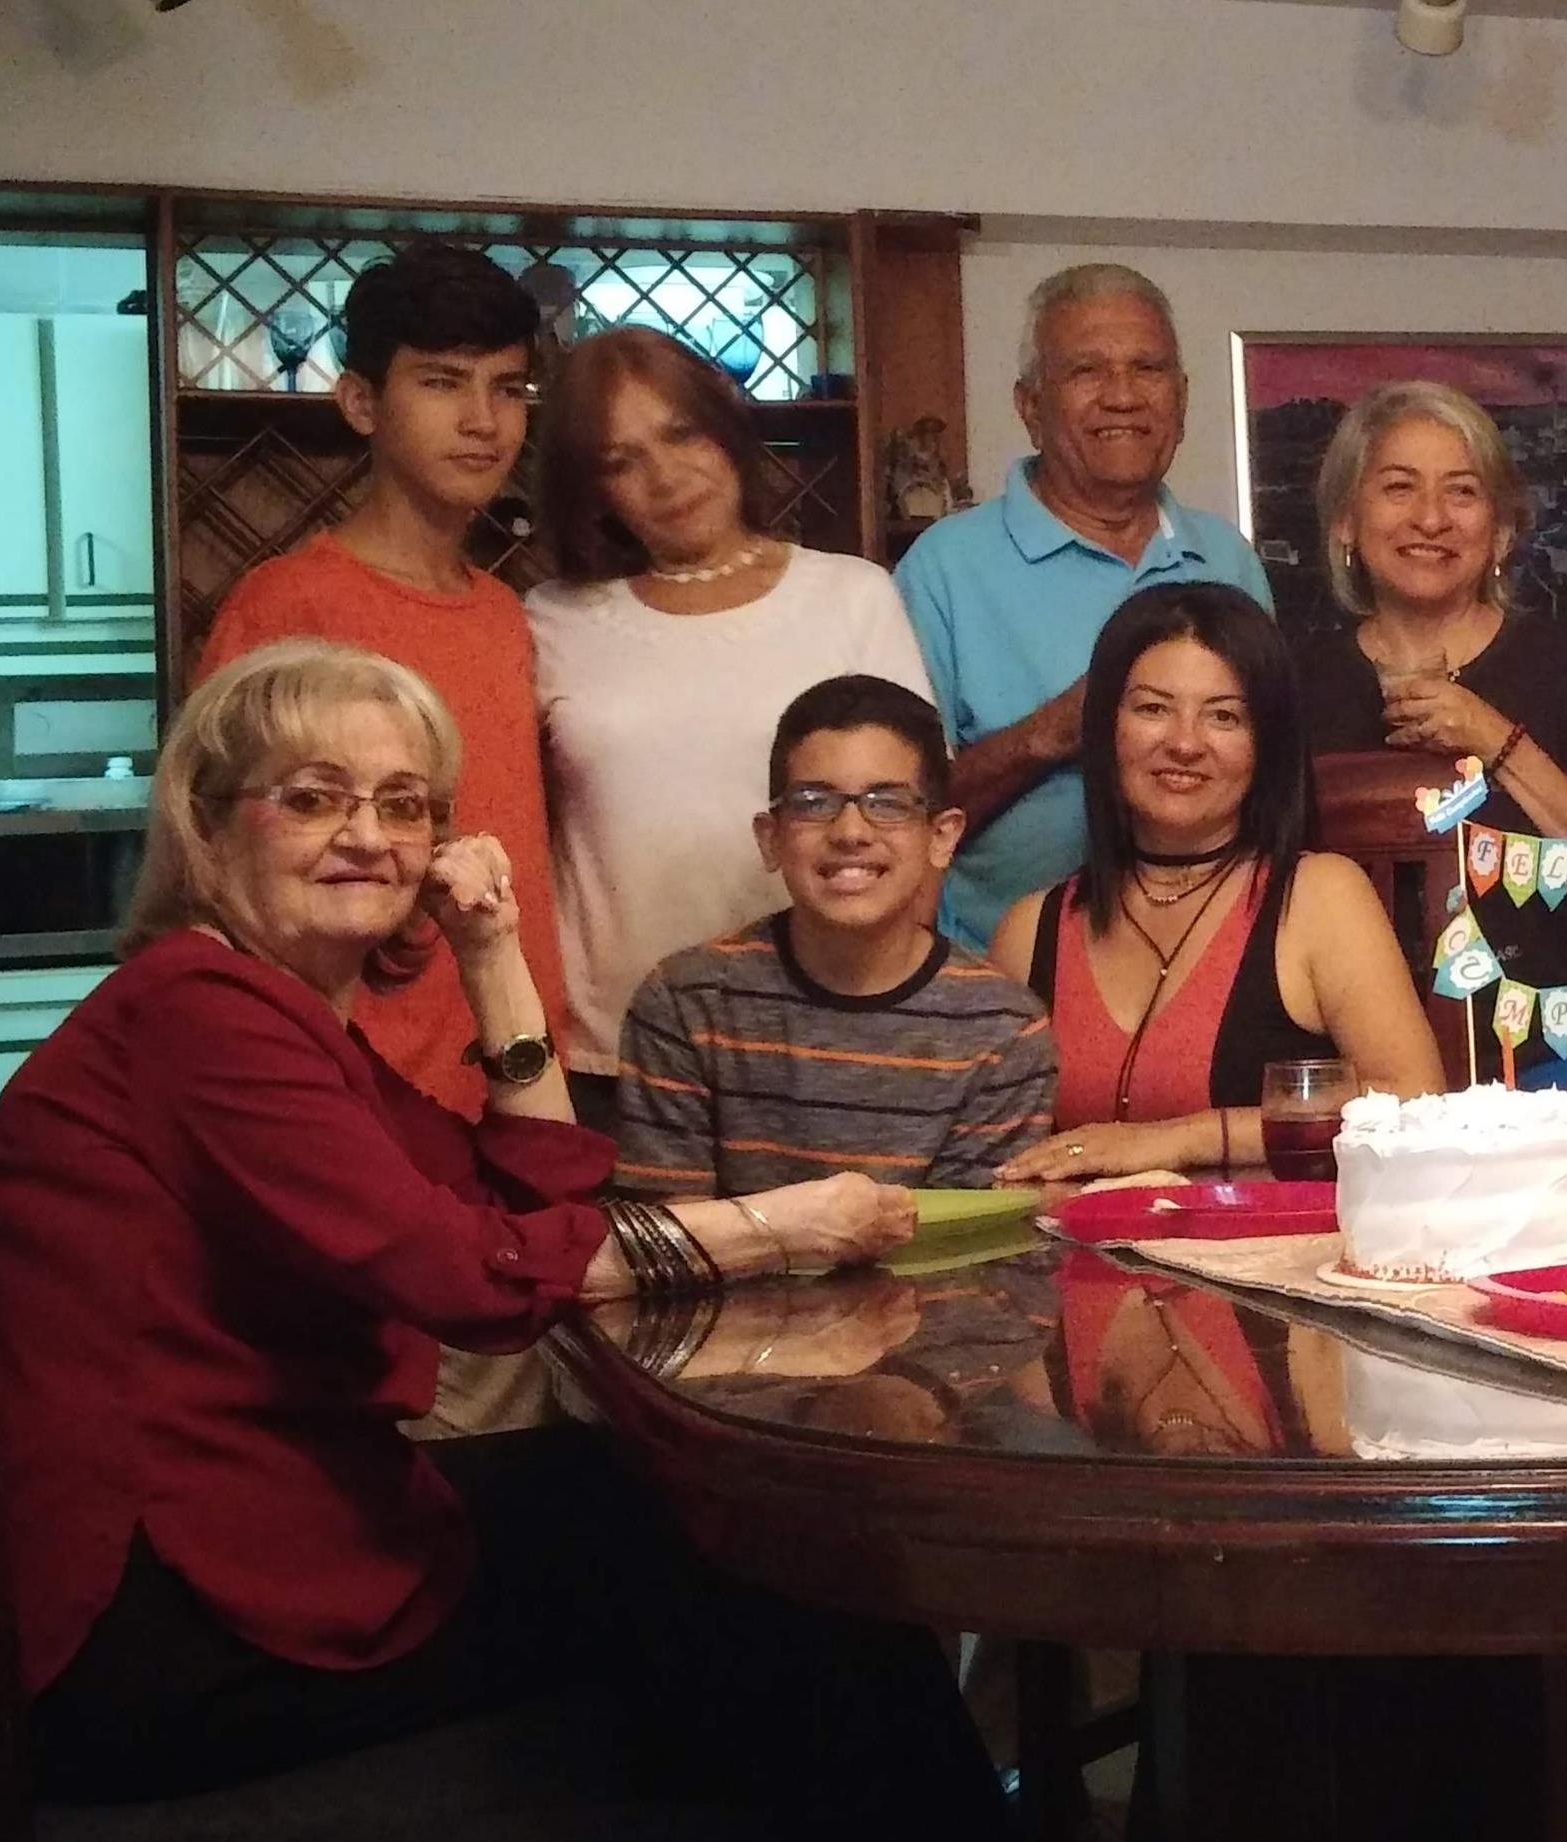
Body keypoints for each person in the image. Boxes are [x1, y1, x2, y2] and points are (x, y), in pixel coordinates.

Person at [0, 641, 1013, 1842]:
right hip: (159, 1609)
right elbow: (472, 1276)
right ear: (207, 818)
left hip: (259, 1514)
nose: (370, 835)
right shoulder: (199, 1012)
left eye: (404, 803)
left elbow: (528, 1193)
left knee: (748, 1545)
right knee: (781, 1583)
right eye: (314, 795)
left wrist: (490, 948)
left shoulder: (283, 1014)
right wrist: (782, 1223)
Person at [195, 242, 569, 1438]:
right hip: (370, 1123)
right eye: (442, 381)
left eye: (508, 388)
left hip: (514, 1096)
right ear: (361, 399)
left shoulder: (506, 611)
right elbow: (231, 884)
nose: (483, 420)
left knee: (519, 1486)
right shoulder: (289, 606)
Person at [528, 325, 935, 1128]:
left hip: (820, 1043)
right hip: (612, 1055)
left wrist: (890, 1023)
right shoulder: (552, 621)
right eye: (620, 459)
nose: (665, 476)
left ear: (725, 426)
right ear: (592, 489)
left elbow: (908, 826)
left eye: (681, 433)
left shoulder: (851, 596)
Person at [988, 584, 1443, 1179]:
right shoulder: (1031, 928)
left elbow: (1415, 1102)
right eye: (1152, 708)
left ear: (1266, 746)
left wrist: (1179, 1139)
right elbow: (986, 1148)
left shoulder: (1318, 896)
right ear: (1105, 729)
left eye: (1224, 716)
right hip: (1071, 1261)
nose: (1184, 743)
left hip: (1271, 1261)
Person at [1294, 378, 1567, 1088]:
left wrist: (1497, 740)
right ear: (1346, 520)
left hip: (1543, 1067)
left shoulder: (1565, 666)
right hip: (1344, 1079)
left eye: (1461, 492)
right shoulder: (1293, 680)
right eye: (1399, 488)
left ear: (1499, 530)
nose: (1430, 518)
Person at [896, 263, 1273, 947]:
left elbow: (1273, 775)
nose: (1122, 396)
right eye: (1087, 372)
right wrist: (1047, 735)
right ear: (1030, 405)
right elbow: (898, 814)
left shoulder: (1228, 559)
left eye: (1148, 369)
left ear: (1182, 399)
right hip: (1002, 982)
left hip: (1212, 967)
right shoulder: (944, 568)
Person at [610, 674, 1058, 1197]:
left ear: (941, 836)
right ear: (771, 837)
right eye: (813, 803)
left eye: (887, 804)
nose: (850, 832)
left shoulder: (1003, 1030)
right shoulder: (684, 1004)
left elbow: (963, 1251)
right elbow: (666, 1241)